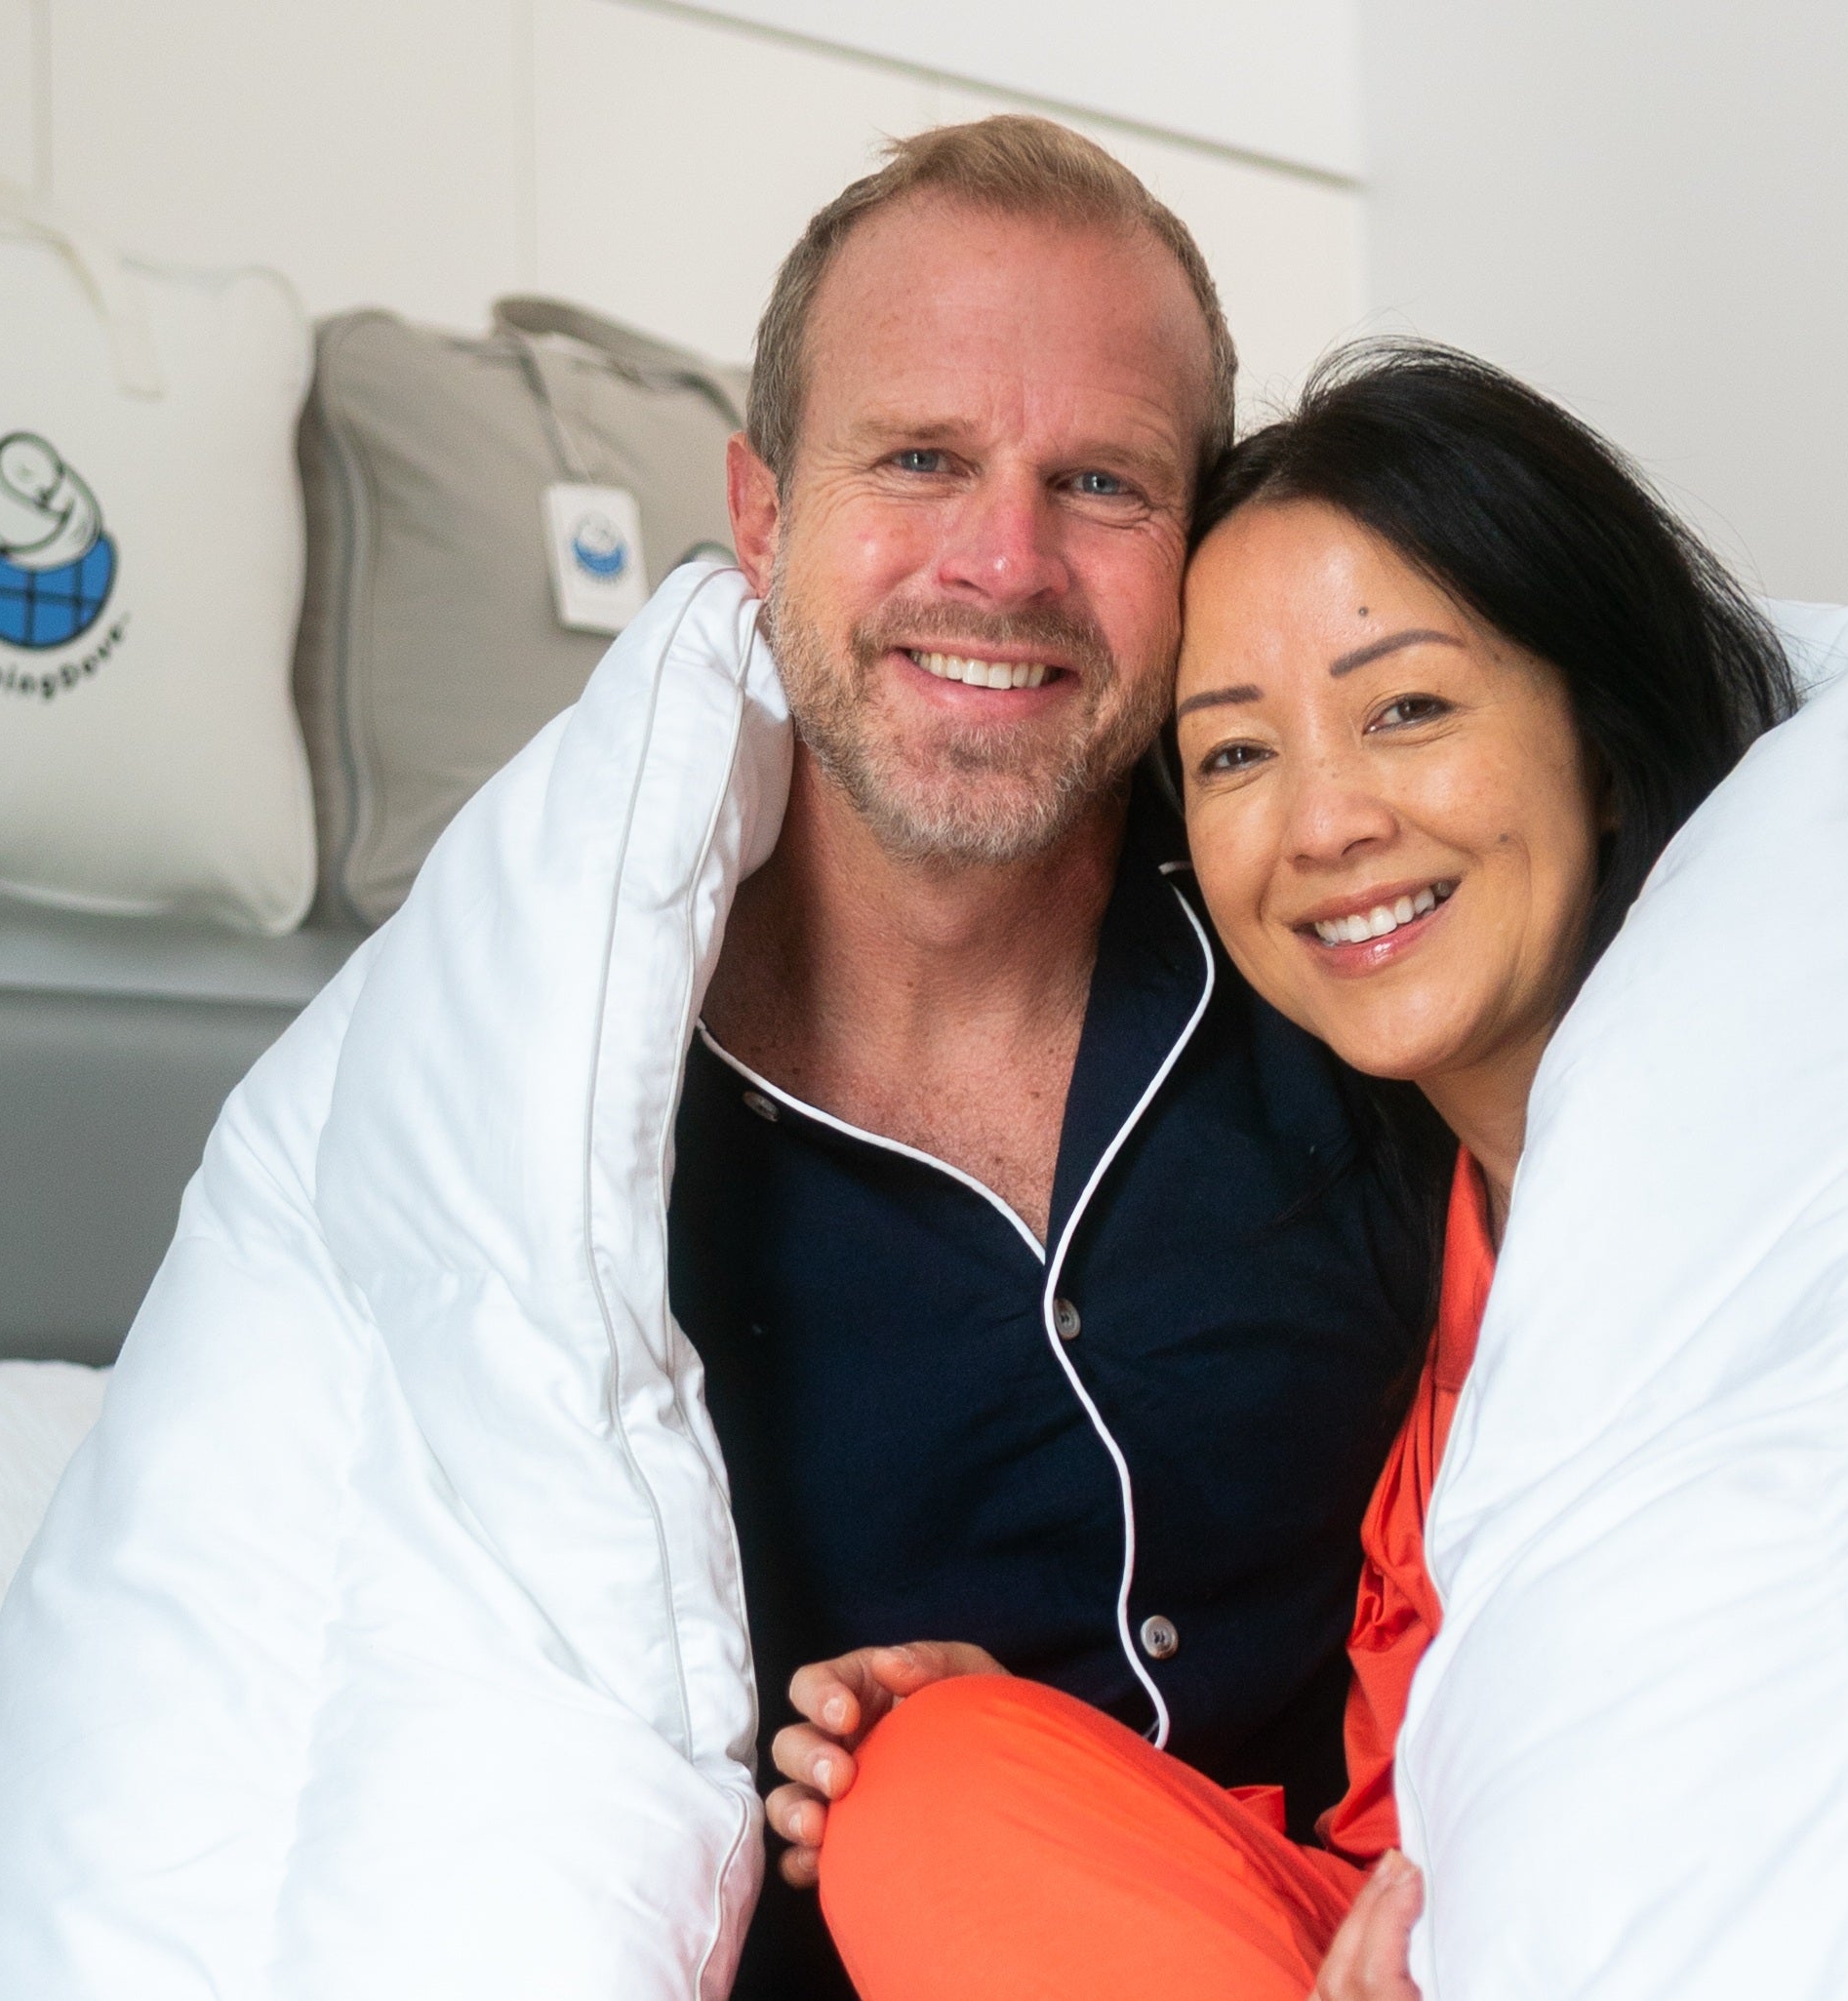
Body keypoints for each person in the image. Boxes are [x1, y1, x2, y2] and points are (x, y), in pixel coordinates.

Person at [762, 340, 1796, 2000]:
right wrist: (1048, 1766)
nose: (1323, 827)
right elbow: (1387, 1846)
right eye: (1236, 754)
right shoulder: (1449, 1215)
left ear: (1598, 740)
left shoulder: (1793, 1171)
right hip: (1398, 1930)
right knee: (925, 1784)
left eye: (1406, 710)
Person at [677, 122, 1444, 1995]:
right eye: (921, 458)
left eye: (1100, 482)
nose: (1004, 564)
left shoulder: (1356, 962)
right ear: (764, 514)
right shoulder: (578, 1109)